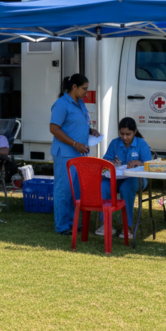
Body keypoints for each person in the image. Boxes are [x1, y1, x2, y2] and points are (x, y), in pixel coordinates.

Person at [49, 74, 101, 235]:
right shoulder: (61, 104)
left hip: (79, 154)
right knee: (64, 190)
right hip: (65, 154)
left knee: (76, 190)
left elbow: (80, 123)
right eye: (84, 88)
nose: (86, 92)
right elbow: (54, 128)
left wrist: (90, 130)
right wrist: (74, 144)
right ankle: (62, 226)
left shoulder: (80, 102)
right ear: (74, 87)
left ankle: (74, 222)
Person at [100, 117, 152, 238]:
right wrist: (112, 162)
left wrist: (139, 163)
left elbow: (150, 164)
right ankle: (105, 223)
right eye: (122, 134)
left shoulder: (141, 143)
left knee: (127, 188)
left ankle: (127, 227)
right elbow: (105, 161)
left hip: (137, 179)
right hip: (117, 177)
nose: (125, 137)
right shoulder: (114, 143)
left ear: (134, 132)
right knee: (104, 185)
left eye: (128, 134)